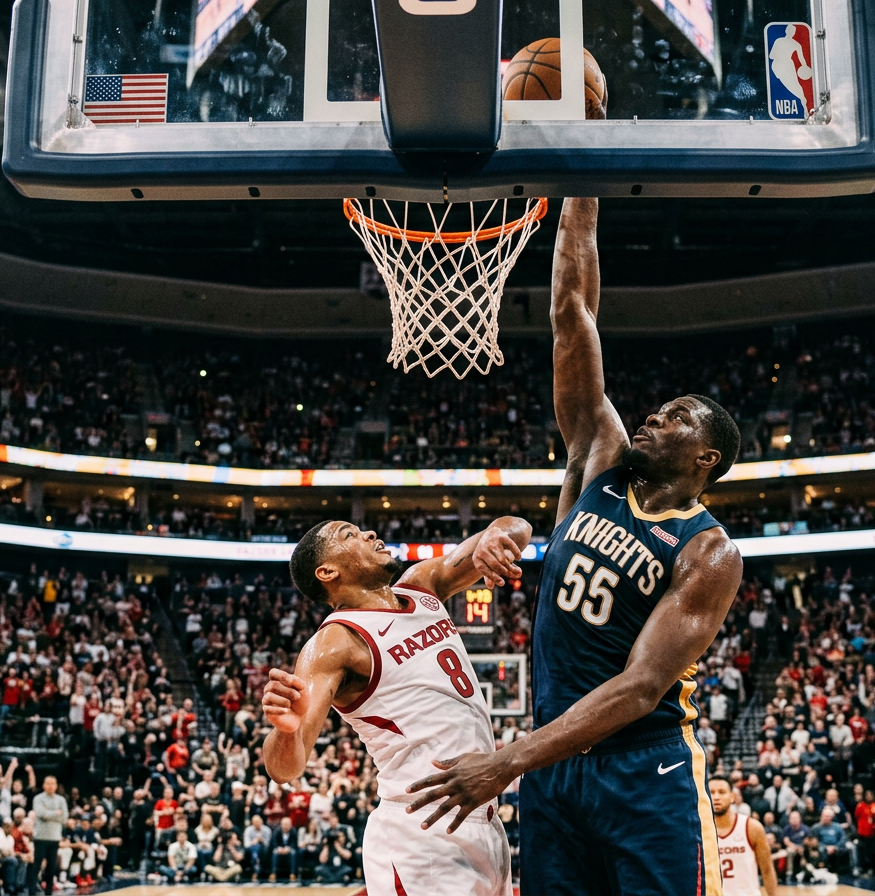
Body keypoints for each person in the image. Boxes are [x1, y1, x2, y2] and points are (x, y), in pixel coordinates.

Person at [403, 197, 743, 896]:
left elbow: (642, 688)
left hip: (642, 771)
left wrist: (506, 763)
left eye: (676, 418)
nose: (653, 415)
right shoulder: (600, 460)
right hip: (555, 770)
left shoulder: (709, 552)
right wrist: (580, 180)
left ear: (705, 457)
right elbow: (572, 316)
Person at [261, 516, 530, 896]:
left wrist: (495, 536)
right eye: (349, 535)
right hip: (422, 832)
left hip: (483, 818)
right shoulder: (334, 644)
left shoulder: (423, 586)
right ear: (327, 571)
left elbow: (519, 528)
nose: (369, 533)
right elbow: (284, 768)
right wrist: (286, 730)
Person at [709, 778, 777, 896]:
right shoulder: (700, 832)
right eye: (712, 792)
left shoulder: (752, 828)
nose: (716, 797)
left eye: (721, 792)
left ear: (732, 797)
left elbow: (767, 869)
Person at [30, 777, 67, 896]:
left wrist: (49, 814)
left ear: (56, 786)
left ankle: (49, 893)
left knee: (51, 868)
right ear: (44, 785)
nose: (51, 786)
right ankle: (31, 892)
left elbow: (64, 817)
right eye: (48, 783)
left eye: (53, 784)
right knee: (37, 866)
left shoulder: (61, 800)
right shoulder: (38, 798)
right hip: (41, 837)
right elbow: (41, 813)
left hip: (54, 838)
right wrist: (56, 813)